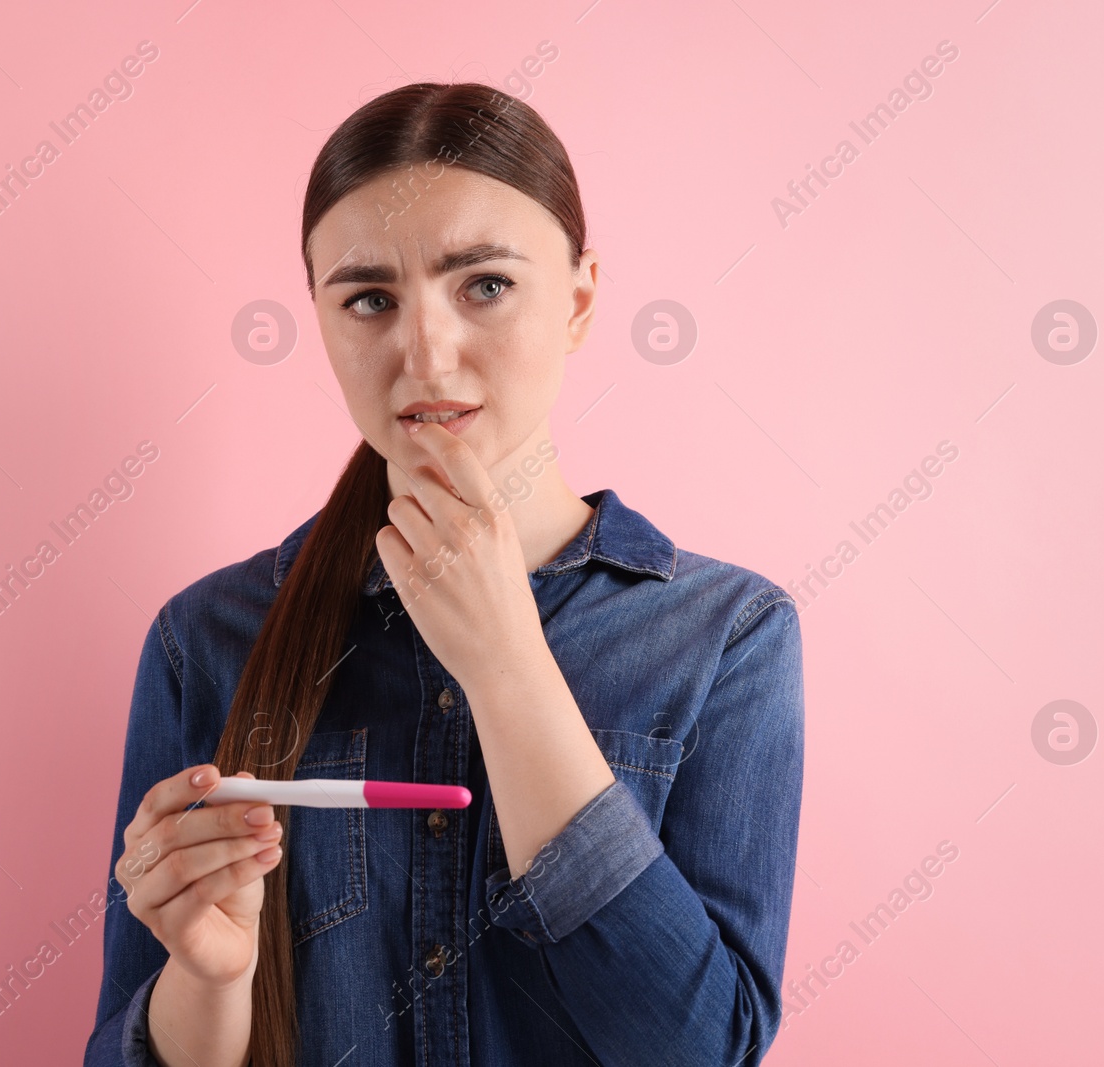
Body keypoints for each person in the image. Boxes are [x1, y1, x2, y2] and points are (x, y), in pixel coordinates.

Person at [83, 81, 804, 1067]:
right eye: (369, 299)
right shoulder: (205, 637)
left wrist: (506, 661)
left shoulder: (725, 634)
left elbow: (701, 1047)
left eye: (486, 284)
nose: (424, 352)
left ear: (580, 298)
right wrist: (207, 979)